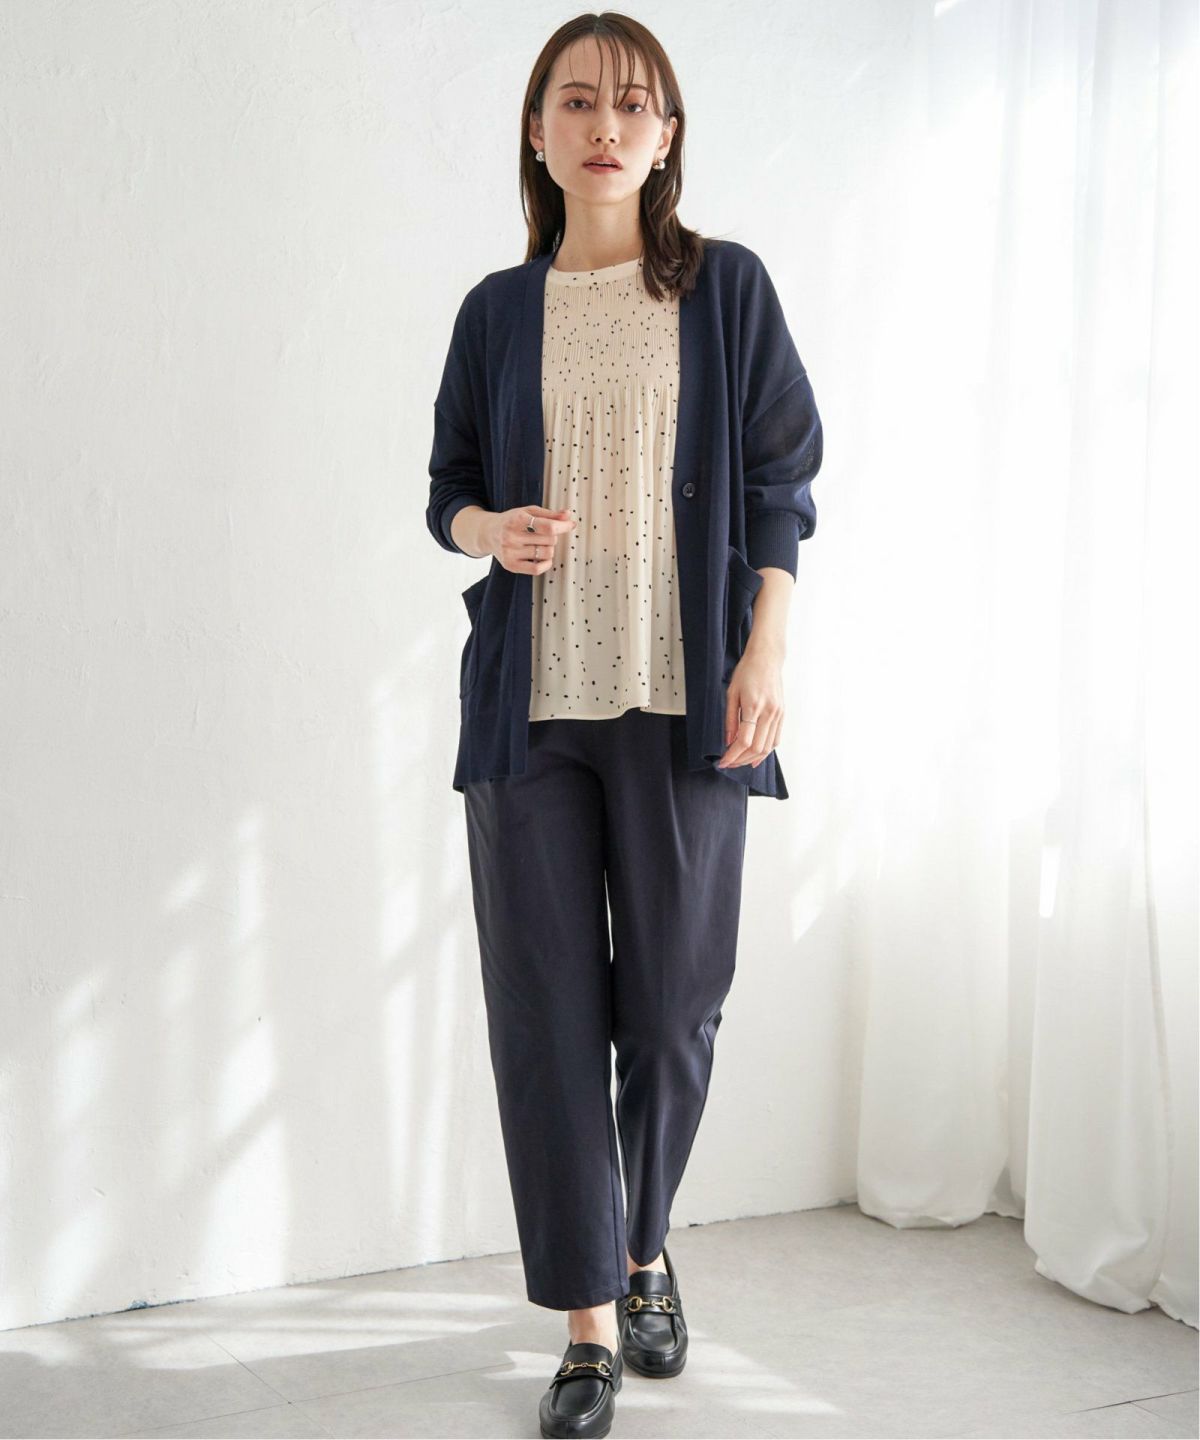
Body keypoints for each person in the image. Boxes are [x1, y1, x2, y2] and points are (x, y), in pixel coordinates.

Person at [426, 14, 824, 1437]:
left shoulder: (726, 290)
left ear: (667, 137)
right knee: (547, 1019)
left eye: (634, 105)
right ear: (538, 134)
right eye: (578, 102)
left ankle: (644, 1241)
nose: (606, 126)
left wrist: (765, 647)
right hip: (531, 710)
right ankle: (590, 1322)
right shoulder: (495, 311)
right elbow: (446, 491)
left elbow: (782, 481)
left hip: (683, 700)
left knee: (669, 1010)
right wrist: (493, 530)